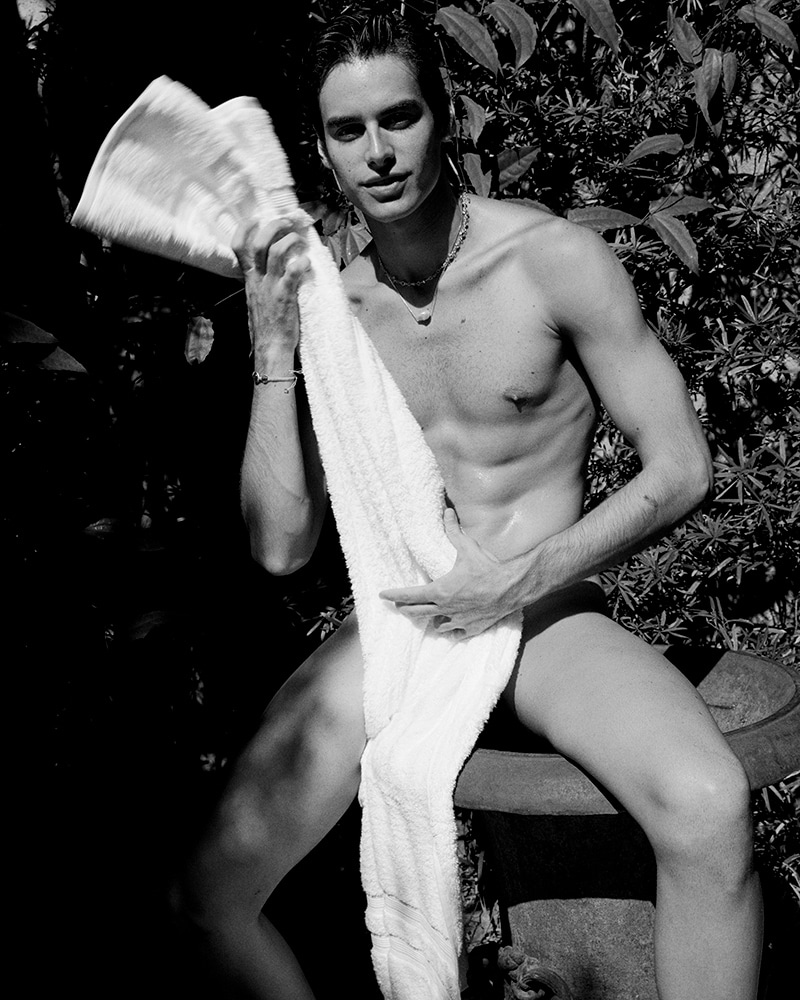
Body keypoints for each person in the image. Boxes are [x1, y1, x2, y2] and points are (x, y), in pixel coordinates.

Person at [173, 8, 763, 999]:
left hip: (541, 612)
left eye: (398, 117)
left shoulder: (547, 260)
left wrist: (517, 579)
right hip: (405, 622)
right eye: (348, 130)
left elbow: (680, 468)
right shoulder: (336, 315)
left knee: (708, 805)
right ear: (321, 148)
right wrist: (273, 348)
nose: (377, 151)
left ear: (441, 114)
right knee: (209, 895)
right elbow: (280, 548)